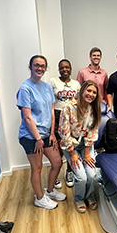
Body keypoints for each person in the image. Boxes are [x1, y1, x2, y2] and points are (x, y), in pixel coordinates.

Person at [16, 55, 66, 210]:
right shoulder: (25, 88)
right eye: (36, 65)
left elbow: (51, 111)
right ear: (30, 66)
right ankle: (40, 198)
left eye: (43, 66)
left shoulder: (46, 87)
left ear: (46, 68)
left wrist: (52, 133)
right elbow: (27, 116)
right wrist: (38, 138)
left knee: (57, 162)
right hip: (31, 137)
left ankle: (50, 191)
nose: (39, 68)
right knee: (37, 168)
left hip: (46, 134)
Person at [59, 80, 101, 213]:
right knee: (81, 177)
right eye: (89, 90)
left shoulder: (92, 108)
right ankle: (79, 198)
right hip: (70, 145)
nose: (91, 94)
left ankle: (89, 196)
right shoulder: (68, 108)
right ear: (82, 90)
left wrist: (87, 152)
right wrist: (72, 153)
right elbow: (63, 132)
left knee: (92, 175)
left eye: (94, 92)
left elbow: (93, 131)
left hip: (86, 144)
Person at [50, 59, 80, 188]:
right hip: (57, 116)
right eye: (62, 68)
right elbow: (50, 103)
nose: (64, 70)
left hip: (72, 117)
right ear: (59, 69)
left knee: (70, 145)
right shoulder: (53, 82)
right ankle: (55, 174)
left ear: (71, 69)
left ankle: (69, 172)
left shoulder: (76, 84)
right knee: (57, 147)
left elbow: (78, 102)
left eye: (67, 67)